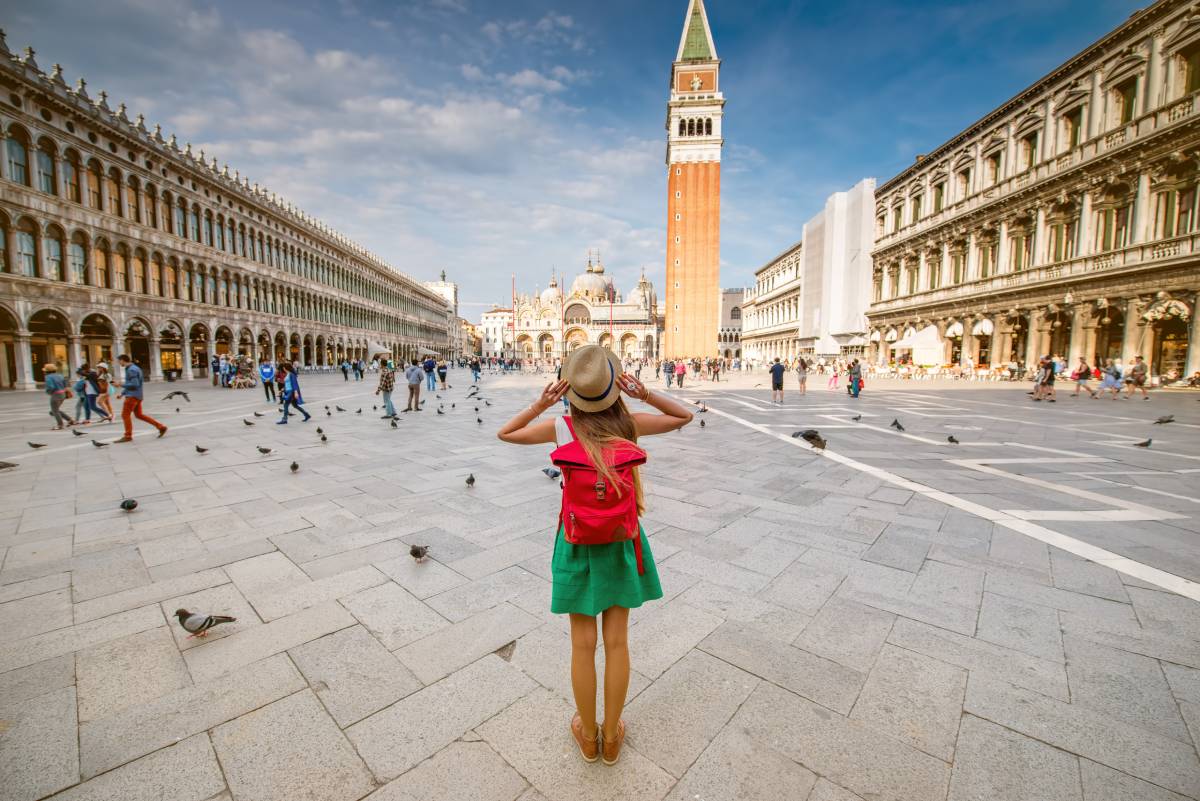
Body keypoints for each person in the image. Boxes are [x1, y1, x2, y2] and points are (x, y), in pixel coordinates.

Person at [496, 345, 692, 766]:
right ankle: (613, 738)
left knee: (581, 645)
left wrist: (541, 404)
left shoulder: (562, 428)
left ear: (572, 392)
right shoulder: (629, 425)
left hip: (575, 540)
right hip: (622, 541)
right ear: (612, 386)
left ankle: (588, 736)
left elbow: (506, 434)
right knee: (617, 642)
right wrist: (645, 394)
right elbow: (684, 416)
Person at [114, 355, 167, 442]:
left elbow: (135, 384)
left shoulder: (131, 370)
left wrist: (120, 384)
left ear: (123, 360)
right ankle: (161, 427)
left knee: (125, 415)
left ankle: (128, 436)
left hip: (132, 397)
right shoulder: (135, 368)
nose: (119, 363)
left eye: (119, 361)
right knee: (139, 415)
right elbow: (132, 383)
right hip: (137, 396)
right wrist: (122, 394)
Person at [43, 363, 75, 430]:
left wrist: (48, 392)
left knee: (54, 411)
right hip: (63, 394)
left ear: (47, 371)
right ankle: (70, 420)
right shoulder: (60, 375)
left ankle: (60, 425)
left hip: (55, 394)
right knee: (55, 410)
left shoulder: (48, 377)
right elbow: (65, 384)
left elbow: (51, 387)